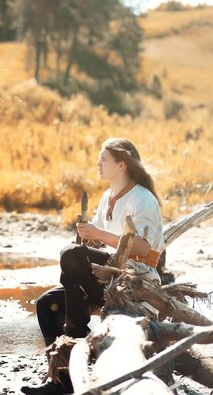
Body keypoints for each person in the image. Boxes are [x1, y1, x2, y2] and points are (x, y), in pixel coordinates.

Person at [21, 138, 164, 395]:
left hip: (135, 280)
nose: (98, 164)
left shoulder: (143, 198)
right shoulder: (108, 197)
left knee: (71, 255)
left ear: (121, 164)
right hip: (106, 277)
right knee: (45, 303)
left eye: (103, 159)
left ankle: (76, 331)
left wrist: (97, 234)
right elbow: (101, 245)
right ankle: (61, 380)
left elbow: (142, 248)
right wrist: (87, 238)